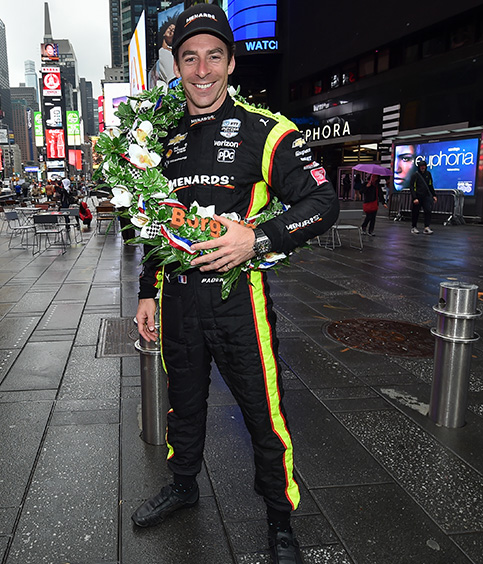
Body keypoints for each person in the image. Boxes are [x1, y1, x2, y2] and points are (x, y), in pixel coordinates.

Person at [131, 5, 339, 564]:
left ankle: (280, 520)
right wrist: (147, 291)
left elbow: (323, 203)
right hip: (176, 302)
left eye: (214, 56)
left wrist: (258, 239)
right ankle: (184, 484)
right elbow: (150, 222)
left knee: (262, 413)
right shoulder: (157, 137)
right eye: (190, 58)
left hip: (239, 304)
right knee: (184, 404)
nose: (202, 70)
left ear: (230, 62)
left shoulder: (266, 131)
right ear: (176, 65)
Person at [409, 156, 437, 234]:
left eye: (424, 166)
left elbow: (430, 185)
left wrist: (434, 195)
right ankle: (414, 227)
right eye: (421, 166)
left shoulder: (428, 174)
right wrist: (414, 198)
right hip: (418, 196)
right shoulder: (415, 175)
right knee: (415, 212)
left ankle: (426, 227)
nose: (422, 168)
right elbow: (412, 187)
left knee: (428, 211)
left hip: (426, 196)